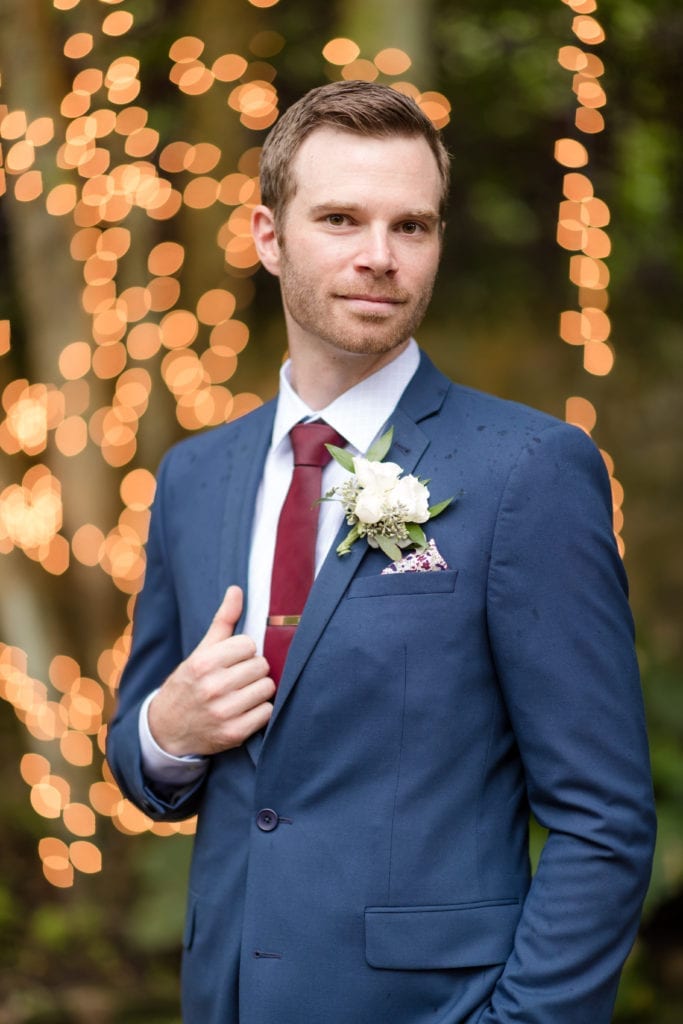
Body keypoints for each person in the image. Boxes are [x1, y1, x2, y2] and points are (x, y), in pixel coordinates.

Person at [106, 80, 656, 1024]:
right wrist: (167, 733)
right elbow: (138, 750)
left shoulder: (529, 469)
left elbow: (603, 821)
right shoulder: (192, 477)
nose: (379, 258)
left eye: (412, 227)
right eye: (339, 219)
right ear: (268, 236)